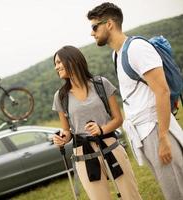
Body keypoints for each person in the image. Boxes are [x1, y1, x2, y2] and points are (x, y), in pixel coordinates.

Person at [87, 2, 183, 200]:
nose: (92, 33)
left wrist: (163, 138)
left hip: (156, 129)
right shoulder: (117, 54)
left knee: (176, 188)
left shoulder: (137, 48)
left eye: (95, 27)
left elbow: (162, 91)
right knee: (169, 187)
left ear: (110, 24)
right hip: (145, 133)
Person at [52, 45, 141, 200]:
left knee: (131, 196)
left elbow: (118, 119)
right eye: (55, 64)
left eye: (59, 62)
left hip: (111, 147)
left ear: (72, 60)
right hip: (83, 155)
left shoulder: (101, 84)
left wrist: (101, 129)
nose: (56, 67)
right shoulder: (60, 96)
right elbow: (67, 131)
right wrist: (62, 138)